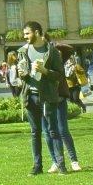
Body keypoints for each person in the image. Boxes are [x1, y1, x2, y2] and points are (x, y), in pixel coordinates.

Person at [16, 23, 78, 174]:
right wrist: (21, 73)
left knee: (53, 131)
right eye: (24, 34)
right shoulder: (23, 51)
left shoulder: (52, 52)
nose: (25, 37)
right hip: (30, 96)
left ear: (36, 32)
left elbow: (59, 75)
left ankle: (61, 165)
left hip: (47, 96)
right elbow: (22, 75)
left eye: (27, 33)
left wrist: (44, 71)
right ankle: (37, 166)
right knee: (35, 132)